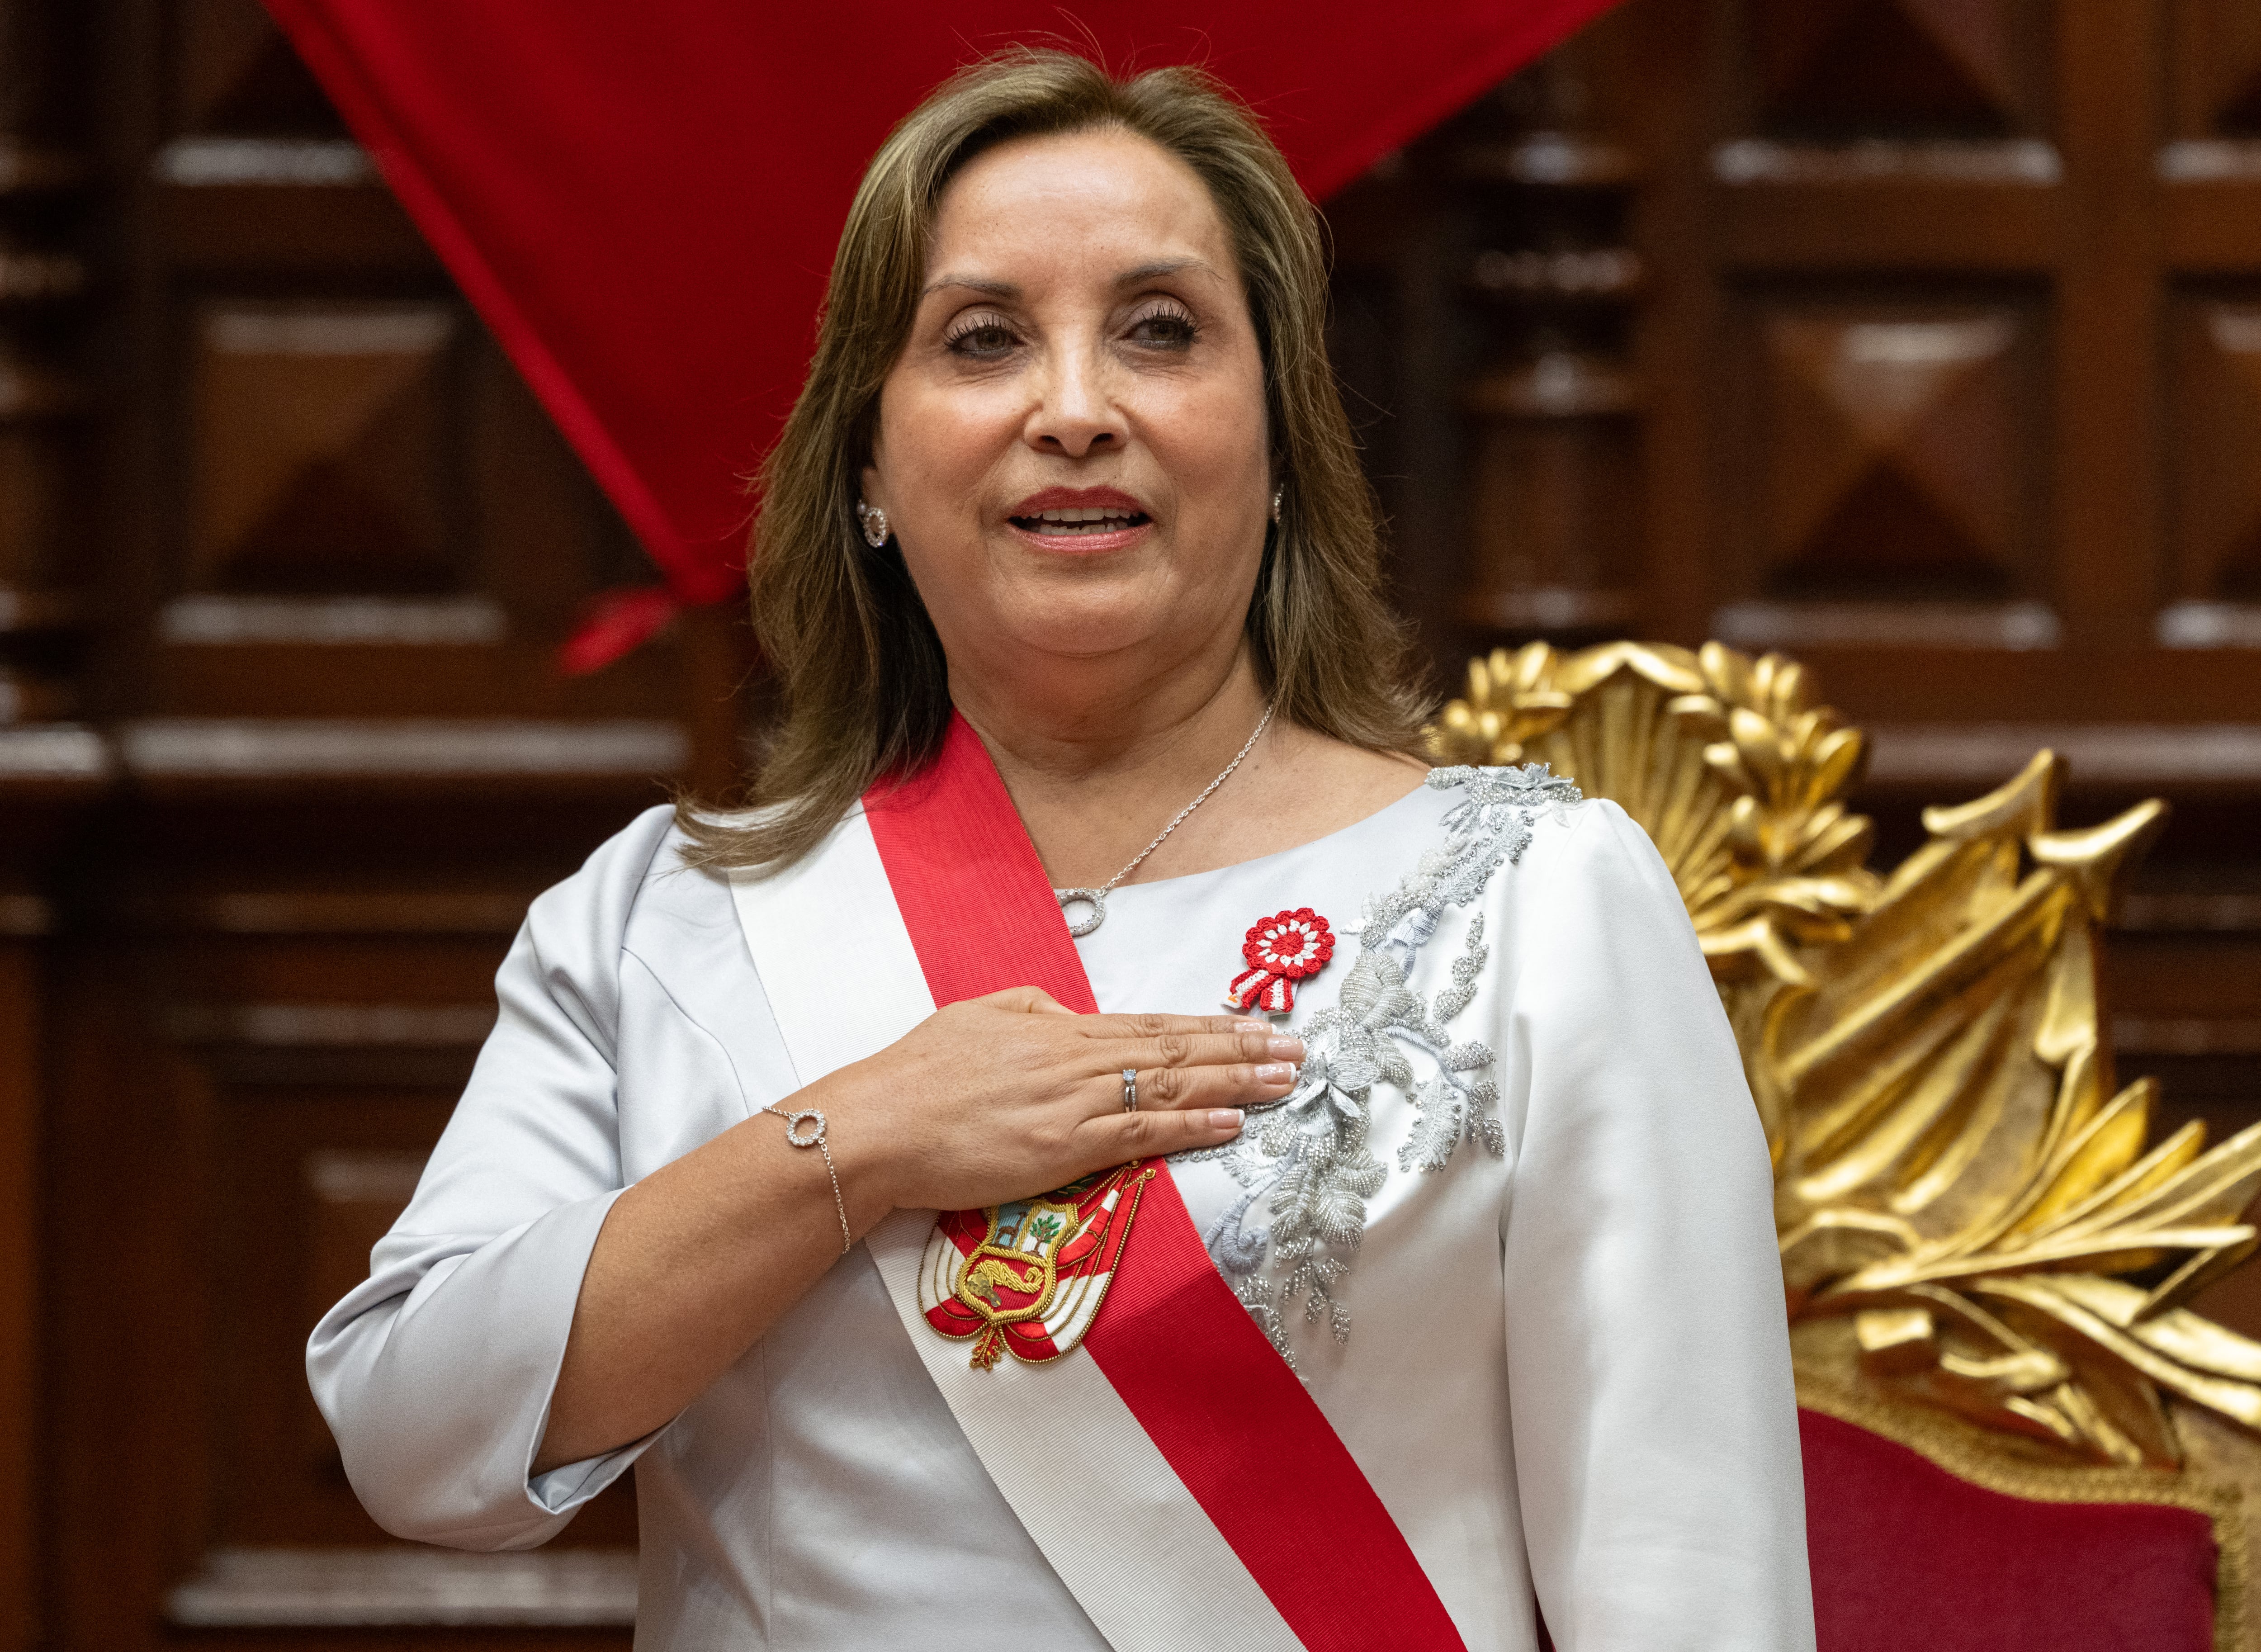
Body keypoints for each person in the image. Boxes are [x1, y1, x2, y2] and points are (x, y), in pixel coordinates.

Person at [309, 48, 1812, 1652]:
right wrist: (858, 1136)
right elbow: (415, 1442)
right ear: (871, 468)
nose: (1077, 409)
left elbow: (1688, 1588)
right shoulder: (666, 919)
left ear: (1284, 439)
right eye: (982, 341)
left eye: (1161, 331)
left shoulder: (1540, 905)